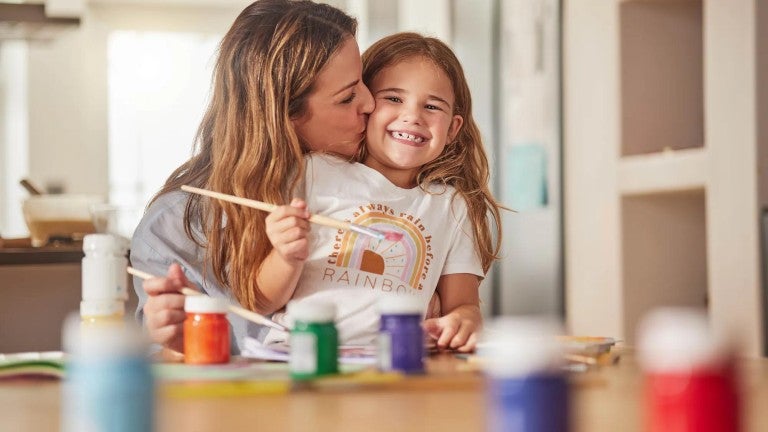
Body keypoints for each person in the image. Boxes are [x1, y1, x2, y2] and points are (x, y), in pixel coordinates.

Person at [130, 0, 374, 355]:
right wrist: (169, 342)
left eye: (363, 81)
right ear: (283, 115)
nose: (370, 103)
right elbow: (165, 365)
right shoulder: (173, 228)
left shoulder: (376, 182)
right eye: (347, 96)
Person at [262, 32, 503, 352]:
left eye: (431, 106)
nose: (413, 116)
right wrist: (285, 255)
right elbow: (263, 301)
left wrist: (463, 321)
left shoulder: (451, 207)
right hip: (298, 353)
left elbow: (464, 306)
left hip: (396, 361)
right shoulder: (314, 171)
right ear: (364, 106)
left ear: (453, 129)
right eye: (393, 98)